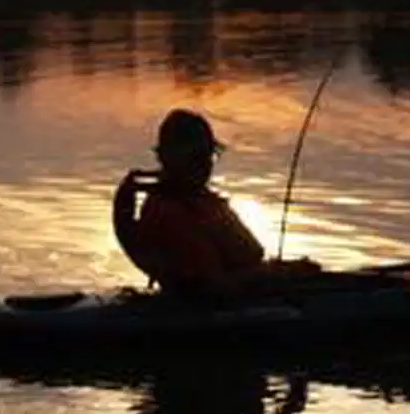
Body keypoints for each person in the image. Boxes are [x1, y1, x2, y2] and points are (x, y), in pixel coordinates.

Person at [113, 109, 318, 297]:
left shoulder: (202, 200)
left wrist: (284, 269)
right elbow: (212, 287)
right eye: (196, 157)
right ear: (168, 158)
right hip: (210, 313)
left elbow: (249, 256)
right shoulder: (169, 212)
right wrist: (278, 275)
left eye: (208, 156)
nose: (206, 165)